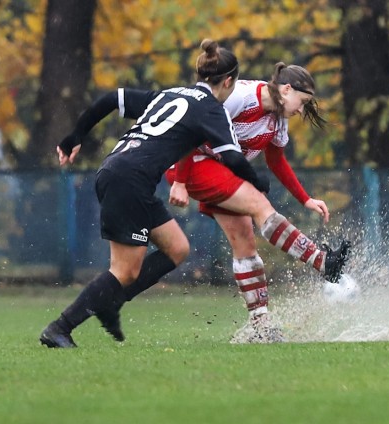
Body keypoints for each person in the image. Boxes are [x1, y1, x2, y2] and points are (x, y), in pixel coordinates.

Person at [39, 39, 270, 348]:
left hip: (117, 170)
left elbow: (111, 98)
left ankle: (110, 302)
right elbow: (232, 157)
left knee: (176, 248)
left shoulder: (170, 94)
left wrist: (75, 136)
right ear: (228, 81)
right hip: (129, 180)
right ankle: (61, 327)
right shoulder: (212, 110)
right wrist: (259, 183)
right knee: (125, 270)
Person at [156, 63, 349, 343]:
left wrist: (305, 199)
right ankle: (322, 262)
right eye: (302, 102)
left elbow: (276, 160)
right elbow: (193, 132)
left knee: (245, 240)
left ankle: (261, 328)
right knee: (260, 206)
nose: (300, 110)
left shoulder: (278, 118)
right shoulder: (241, 96)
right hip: (192, 162)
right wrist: (181, 181)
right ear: (286, 90)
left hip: (220, 170)